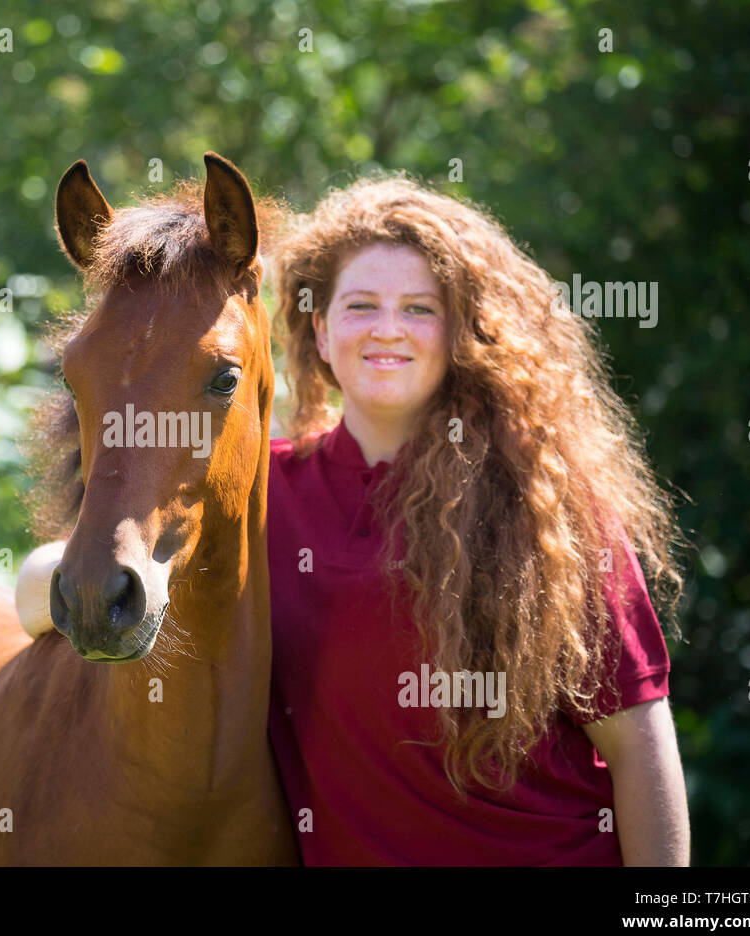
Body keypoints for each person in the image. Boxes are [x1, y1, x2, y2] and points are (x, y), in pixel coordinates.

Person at [266, 174, 691, 865]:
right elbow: (108, 569)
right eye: (361, 305)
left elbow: (639, 741)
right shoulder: (259, 495)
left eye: (420, 309)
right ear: (319, 330)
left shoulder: (542, 501)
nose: (388, 329)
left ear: (459, 331)